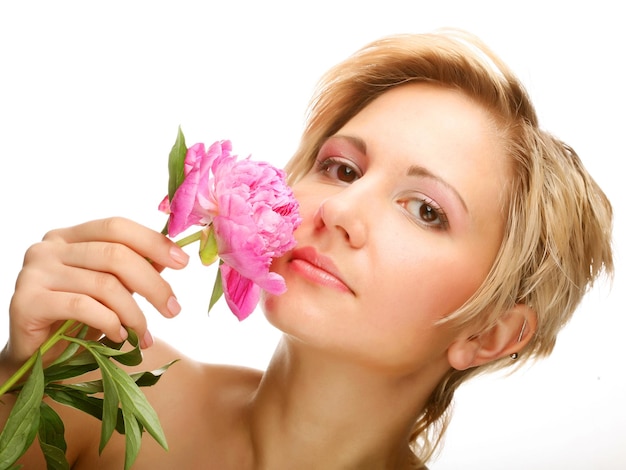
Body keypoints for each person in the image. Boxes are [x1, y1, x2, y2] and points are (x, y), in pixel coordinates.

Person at [0, 29, 613, 469]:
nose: (340, 210)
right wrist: (13, 381)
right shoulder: (99, 389)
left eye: (426, 211)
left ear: (489, 333)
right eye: (343, 169)